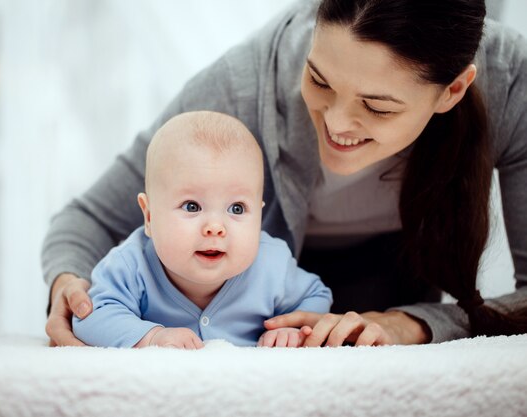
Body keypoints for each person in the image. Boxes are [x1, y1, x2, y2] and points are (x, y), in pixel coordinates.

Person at [43, 0, 527, 348]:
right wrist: (72, 286)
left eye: (377, 107)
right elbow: (84, 221)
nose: (336, 125)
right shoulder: (241, 89)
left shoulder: (512, 85)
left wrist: (415, 324)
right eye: (318, 80)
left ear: (454, 90)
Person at [71, 111, 332, 348]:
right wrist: (151, 336)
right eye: (192, 206)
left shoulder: (271, 263)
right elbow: (92, 315)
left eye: (237, 208)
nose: (215, 228)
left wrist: (291, 327)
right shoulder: (131, 264)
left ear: (260, 214)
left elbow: (317, 295)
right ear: (149, 216)